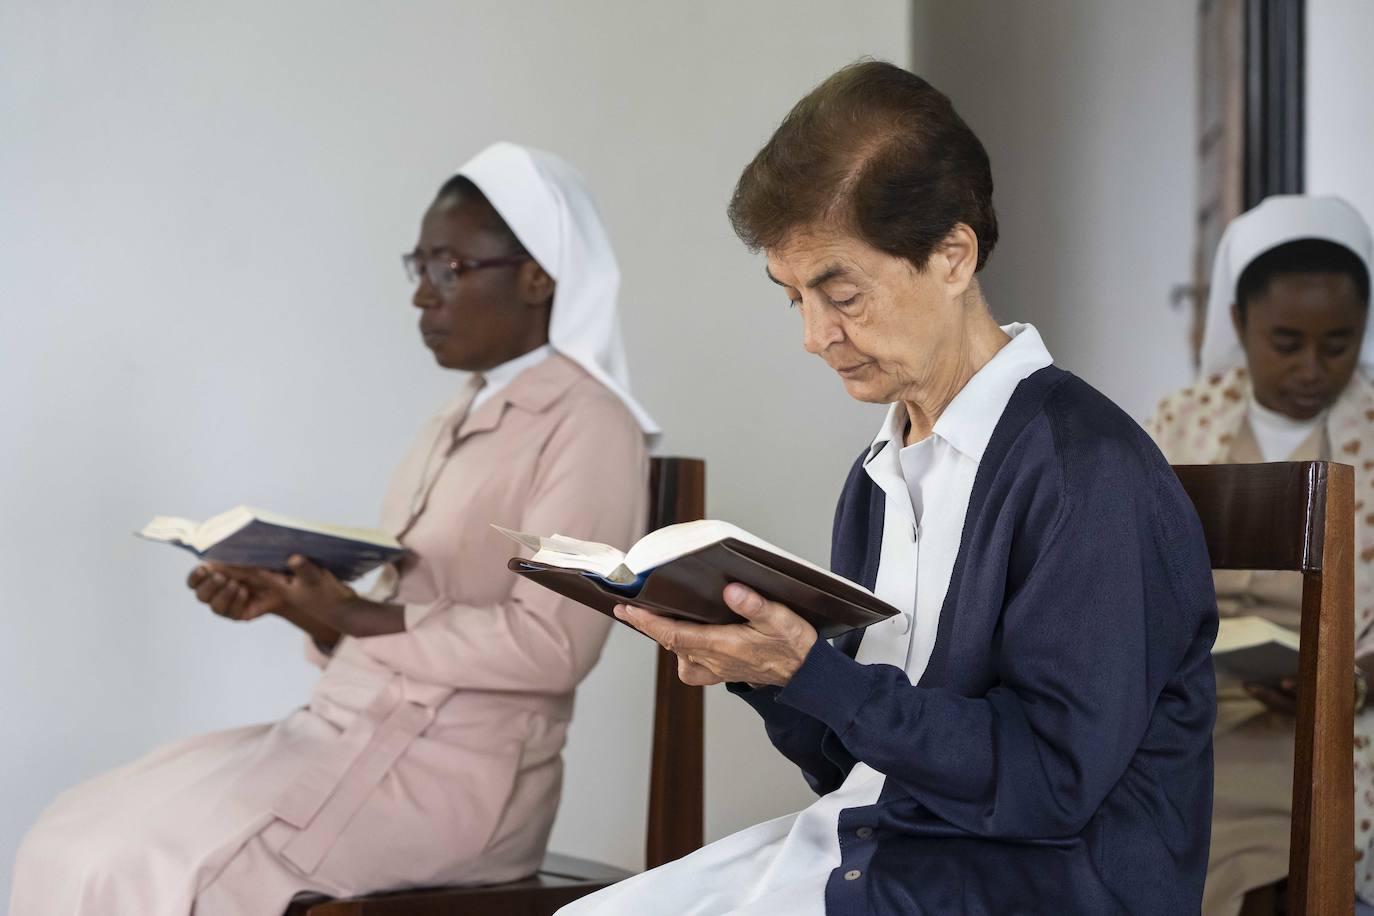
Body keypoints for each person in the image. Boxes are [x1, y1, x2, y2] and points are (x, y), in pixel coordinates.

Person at [558, 61, 1218, 916]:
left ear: (952, 255)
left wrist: (813, 674)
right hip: (891, 846)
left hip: (1043, 884)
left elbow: (1049, 786)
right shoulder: (882, 470)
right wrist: (760, 664)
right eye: (791, 298)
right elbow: (859, 764)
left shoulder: (1084, 468)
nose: (813, 335)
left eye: (841, 294)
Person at [10, 141, 656, 915]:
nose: (422, 295)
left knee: (169, 872)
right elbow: (402, 603)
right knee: (72, 836)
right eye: (417, 265)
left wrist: (351, 612)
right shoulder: (460, 412)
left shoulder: (590, 424)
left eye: (448, 268)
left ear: (537, 276)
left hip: (457, 775)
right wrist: (296, 602)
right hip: (346, 728)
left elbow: (556, 647)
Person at [1146, 194, 1374, 915]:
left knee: (1283, 880)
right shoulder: (1178, 421)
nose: (1312, 367)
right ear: (1240, 324)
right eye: (1286, 342)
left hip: (1334, 724)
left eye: (1337, 343)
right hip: (1190, 713)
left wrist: (1357, 680)